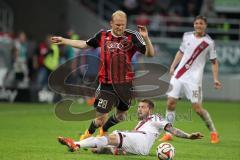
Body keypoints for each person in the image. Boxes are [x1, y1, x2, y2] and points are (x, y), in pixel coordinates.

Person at [51, 10, 155, 140]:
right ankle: (87, 134)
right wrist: (64, 40)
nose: (120, 27)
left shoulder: (132, 36)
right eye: (117, 24)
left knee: (121, 116)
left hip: (125, 85)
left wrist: (146, 38)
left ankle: (104, 131)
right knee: (100, 118)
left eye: (123, 24)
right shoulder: (102, 35)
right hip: (107, 84)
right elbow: (84, 44)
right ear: (111, 23)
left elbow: (150, 54)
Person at [58, 99, 203, 155]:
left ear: (150, 110)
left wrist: (189, 136)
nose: (139, 109)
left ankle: (75, 144)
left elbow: (172, 129)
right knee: (98, 150)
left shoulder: (156, 118)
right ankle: (98, 147)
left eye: (143, 108)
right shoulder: (141, 123)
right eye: (139, 107)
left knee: (110, 137)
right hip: (139, 145)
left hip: (141, 141)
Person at [159, 15, 222, 144]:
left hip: (194, 79)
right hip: (179, 75)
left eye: (201, 23)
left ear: (205, 25)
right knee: (170, 102)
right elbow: (181, 52)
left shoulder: (209, 43)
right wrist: (172, 66)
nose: (198, 25)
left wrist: (216, 79)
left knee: (198, 109)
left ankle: (214, 132)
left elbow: (214, 62)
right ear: (194, 24)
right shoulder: (187, 36)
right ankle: (168, 133)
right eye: (196, 23)